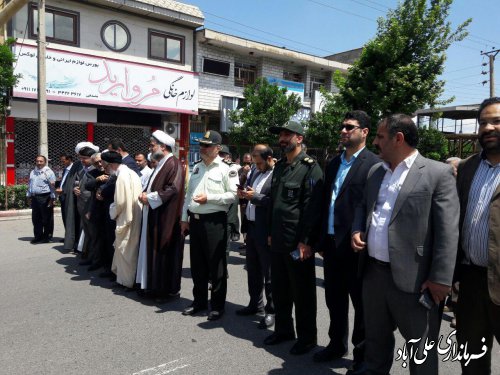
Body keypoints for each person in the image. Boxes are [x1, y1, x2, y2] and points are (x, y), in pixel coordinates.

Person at [351, 114, 459, 375]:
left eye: (379, 136)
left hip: (416, 281)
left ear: (398, 138)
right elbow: (364, 205)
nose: (375, 142)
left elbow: (448, 230)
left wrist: (441, 279)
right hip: (374, 275)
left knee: (420, 354)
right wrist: (357, 228)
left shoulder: (437, 173)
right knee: (375, 347)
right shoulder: (376, 171)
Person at [314, 111, 379, 375]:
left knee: (360, 303)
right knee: (334, 298)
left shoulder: (373, 165)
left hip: (356, 247)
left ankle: (361, 355)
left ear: (364, 132)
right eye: (342, 126)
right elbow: (323, 203)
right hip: (330, 244)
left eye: (349, 127)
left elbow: (373, 207)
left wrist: (361, 233)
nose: (343, 131)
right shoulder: (333, 163)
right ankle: (335, 344)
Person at [265, 120, 324, 355]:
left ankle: (307, 338)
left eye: (287, 134)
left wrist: (306, 242)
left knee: (302, 293)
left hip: (297, 242)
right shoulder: (279, 167)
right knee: (280, 289)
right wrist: (270, 233)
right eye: (280, 135)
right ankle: (284, 330)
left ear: (299, 138)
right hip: (278, 239)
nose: (282, 139)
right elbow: (274, 204)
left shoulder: (310, 168)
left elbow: (313, 209)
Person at [455, 97, 500, 375]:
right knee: (472, 359)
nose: (487, 127)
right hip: (470, 282)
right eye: (483, 122)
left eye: (496, 121)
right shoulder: (468, 167)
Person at [180, 130, 238, 321]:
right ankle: (199, 302)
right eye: (201, 145)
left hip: (215, 222)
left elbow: (233, 195)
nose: (202, 148)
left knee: (216, 265)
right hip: (195, 221)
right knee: (197, 265)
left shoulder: (227, 169)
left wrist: (210, 198)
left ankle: (218, 306)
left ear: (217, 148)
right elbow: (188, 195)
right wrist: (184, 219)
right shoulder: (196, 167)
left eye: (207, 145)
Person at [137, 131, 186, 301]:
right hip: (155, 214)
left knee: (165, 254)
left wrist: (148, 198)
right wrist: (144, 194)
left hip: (167, 218)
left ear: (163, 147)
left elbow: (173, 189)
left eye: (152, 145)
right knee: (154, 252)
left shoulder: (174, 164)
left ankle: (166, 291)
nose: (150, 148)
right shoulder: (162, 163)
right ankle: (152, 287)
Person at [236, 144, 275, 329]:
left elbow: (276, 202)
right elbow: (251, 195)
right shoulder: (255, 172)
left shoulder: (277, 175)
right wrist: (244, 194)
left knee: (269, 274)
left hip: (265, 230)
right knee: (253, 270)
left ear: (269, 158)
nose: (256, 166)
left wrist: (256, 197)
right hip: (251, 228)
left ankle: (271, 311)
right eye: (255, 163)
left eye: (259, 163)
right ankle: (255, 304)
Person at [102, 151, 143, 289]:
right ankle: (124, 279)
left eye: (104, 164)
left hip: (126, 218)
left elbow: (120, 202)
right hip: (134, 216)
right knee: (128, 248)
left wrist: (111, 210)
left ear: (111, 164)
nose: (103, 168)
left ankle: (127, 282)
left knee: (126, 249)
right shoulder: (130, 173)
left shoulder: (122, 176)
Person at [27, 155, 56, 244]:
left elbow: (53, 187)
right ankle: (38, 236)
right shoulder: (33, 172)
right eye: (37, 161)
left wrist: (53, 199)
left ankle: (47, 237)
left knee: (47, 218)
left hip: (45, 197)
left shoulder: (49, 172)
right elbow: (30, 184)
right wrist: (28, 196)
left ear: (45, 162)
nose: (39, 163)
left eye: (41, 161)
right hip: (35, 197)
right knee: (36, 218)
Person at [219, 145, 241, 258]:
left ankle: (223, 272)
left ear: (228, 157)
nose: (220, 157)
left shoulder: (232, 169)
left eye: (222, 155)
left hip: (227, 215)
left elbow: (233, 196)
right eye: (219, 154)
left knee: (224, 246)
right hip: (213, 215)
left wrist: (231, 220)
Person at [56, 153, 73, 229]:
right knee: (65, 216)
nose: (62, 163)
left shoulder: (74, 170)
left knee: (69, 217)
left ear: (69, 160)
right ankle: (67, 235)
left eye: (63, 161)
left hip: (69, 196)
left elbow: (74, 183)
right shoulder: (65, 169)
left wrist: (63, 190)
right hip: (63, 196)